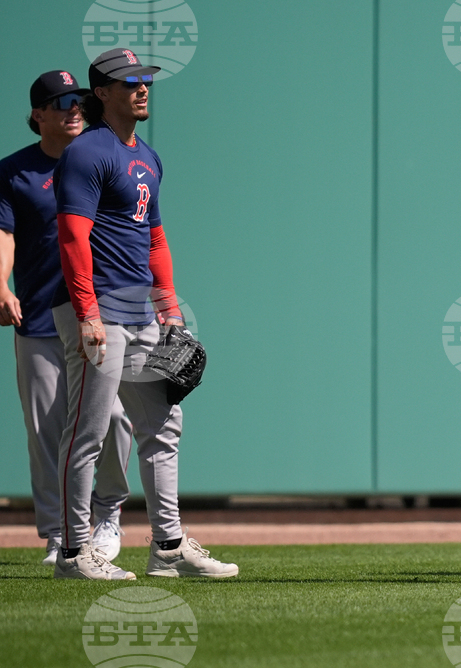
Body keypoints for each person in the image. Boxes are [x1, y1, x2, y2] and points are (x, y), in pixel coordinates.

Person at [51, 48, 237, 579]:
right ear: (102, 92)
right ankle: (73, 552)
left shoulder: (148, 157)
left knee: (162, 425)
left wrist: (170, 312)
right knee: (87, 432)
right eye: (128, 80)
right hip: (98, 309)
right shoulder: (87, 153)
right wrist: (86, 312)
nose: (141, 87)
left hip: (140, 313)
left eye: (146, 79)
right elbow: (72, 238)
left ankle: (169, 547)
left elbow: (155, 239)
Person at [0, 71, 132, 567]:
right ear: (37, 115)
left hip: (98, 315)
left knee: (116, 421)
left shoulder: (102, 156)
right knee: (47, 431)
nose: (72, 109)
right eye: (59, 104)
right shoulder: (14, 172)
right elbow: (4, 236)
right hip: (38, 316)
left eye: (77, 101)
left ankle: (107, 514)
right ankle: (60, 536)